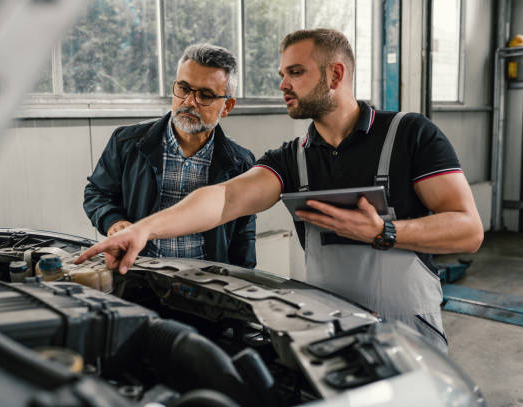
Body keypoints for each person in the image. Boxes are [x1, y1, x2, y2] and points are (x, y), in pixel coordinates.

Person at [76, 29, 484, 352]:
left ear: (335, 74)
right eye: (281, 75)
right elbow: (224, 198)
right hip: (330, 329)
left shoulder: (410, 134)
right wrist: (143, 229)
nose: (283, 84)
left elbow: (468, 229)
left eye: (295, 72)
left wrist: (384, 232)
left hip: (409, 329)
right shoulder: (293, 158)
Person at [83, 43, 256, 268]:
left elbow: (244, 236)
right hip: (139, 274)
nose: (189, 102)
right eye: (183, 89)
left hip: (208, 284)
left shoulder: (240, 164)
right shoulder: (126, 143)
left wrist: (242, 285)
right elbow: (96, 193)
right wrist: (113, 221)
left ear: (227, 106)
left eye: (205, 95)